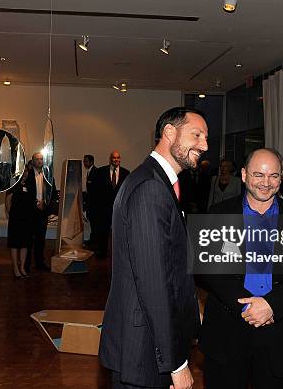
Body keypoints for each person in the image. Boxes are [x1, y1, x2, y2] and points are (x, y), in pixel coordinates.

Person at [100, 107, 208, 389]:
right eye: (196, 135)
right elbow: (154, 283)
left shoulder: (156, 181)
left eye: (206, 138)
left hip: (147, 344)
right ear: (169, 133)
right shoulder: (150, 187)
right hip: (145, 347)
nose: (205, 145)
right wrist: (177, 364)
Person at [199, 148, 283, 389]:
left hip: (279, 327)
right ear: (243, 175)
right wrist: (249, 307)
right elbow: (210, 271)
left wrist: (271, 305)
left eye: (274, 176)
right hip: (228, 326)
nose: (266, 183)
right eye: (258, 175)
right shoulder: (218, 213)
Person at [93, 150, 129, 258]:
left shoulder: (126, 173)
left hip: (119, 209)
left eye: (118, 158)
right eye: (114, 158)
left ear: (120, 159)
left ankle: (119, 255)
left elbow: (127, 192)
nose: (116, 160)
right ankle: (102, 253)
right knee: (103, 232)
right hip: (104, 210)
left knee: (119, 233)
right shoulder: (101, 172)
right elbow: (96, 191)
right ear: (110, 159)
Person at [23, 152, 54, 272]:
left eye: (41, 159)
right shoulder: (28, 175)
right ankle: (26, 264)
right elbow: (24, 194)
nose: (40, 161)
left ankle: (40, 263)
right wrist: (35, 203)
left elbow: (52, 194)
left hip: (43, 212)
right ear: (33, 160)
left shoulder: (48, 176)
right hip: (31, 212)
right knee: (29, 239)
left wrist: (45, 202)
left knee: (41, 239)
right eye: (37, 159)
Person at [6, 163, 32, 278]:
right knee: (15, 244)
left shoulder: (29, 185)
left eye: (26, 171)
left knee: (24, 244)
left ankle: (22, 268)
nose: (25, 174)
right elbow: (8, 201)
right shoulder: (13, 185)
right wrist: (11, 214)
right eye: (23, 171)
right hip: (15, 218)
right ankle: (15, 268)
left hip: (26, 218)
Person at [83, 154, 99, 248]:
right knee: (92, 223)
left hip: (94, 204)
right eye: (84, 161)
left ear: (92, 162)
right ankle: (92, 240)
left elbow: (95, 190)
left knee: (94, 224)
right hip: (90, 202)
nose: (85, 163)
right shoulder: (89, 171)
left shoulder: (95, 172)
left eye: (86, 161)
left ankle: (94, 242)